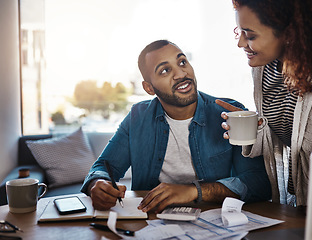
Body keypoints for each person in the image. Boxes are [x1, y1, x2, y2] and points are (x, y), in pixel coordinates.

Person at [81, 40, 271, 212]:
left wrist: (194, 192)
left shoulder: (230, 113)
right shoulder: (137, 117)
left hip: (217, 221)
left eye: (182, 62)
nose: (181, 74)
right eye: (165, 70)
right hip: (151, 223)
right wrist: (97, 184)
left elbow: (259, 183)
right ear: (149, 88)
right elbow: (104, 167)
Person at [218, 0, 312, 207]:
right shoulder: (264, 65)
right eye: (240, 32)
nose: (241, 43)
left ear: (288, 32)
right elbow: (285, 133)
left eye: (250, 35)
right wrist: (256, 128)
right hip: (294, 202)